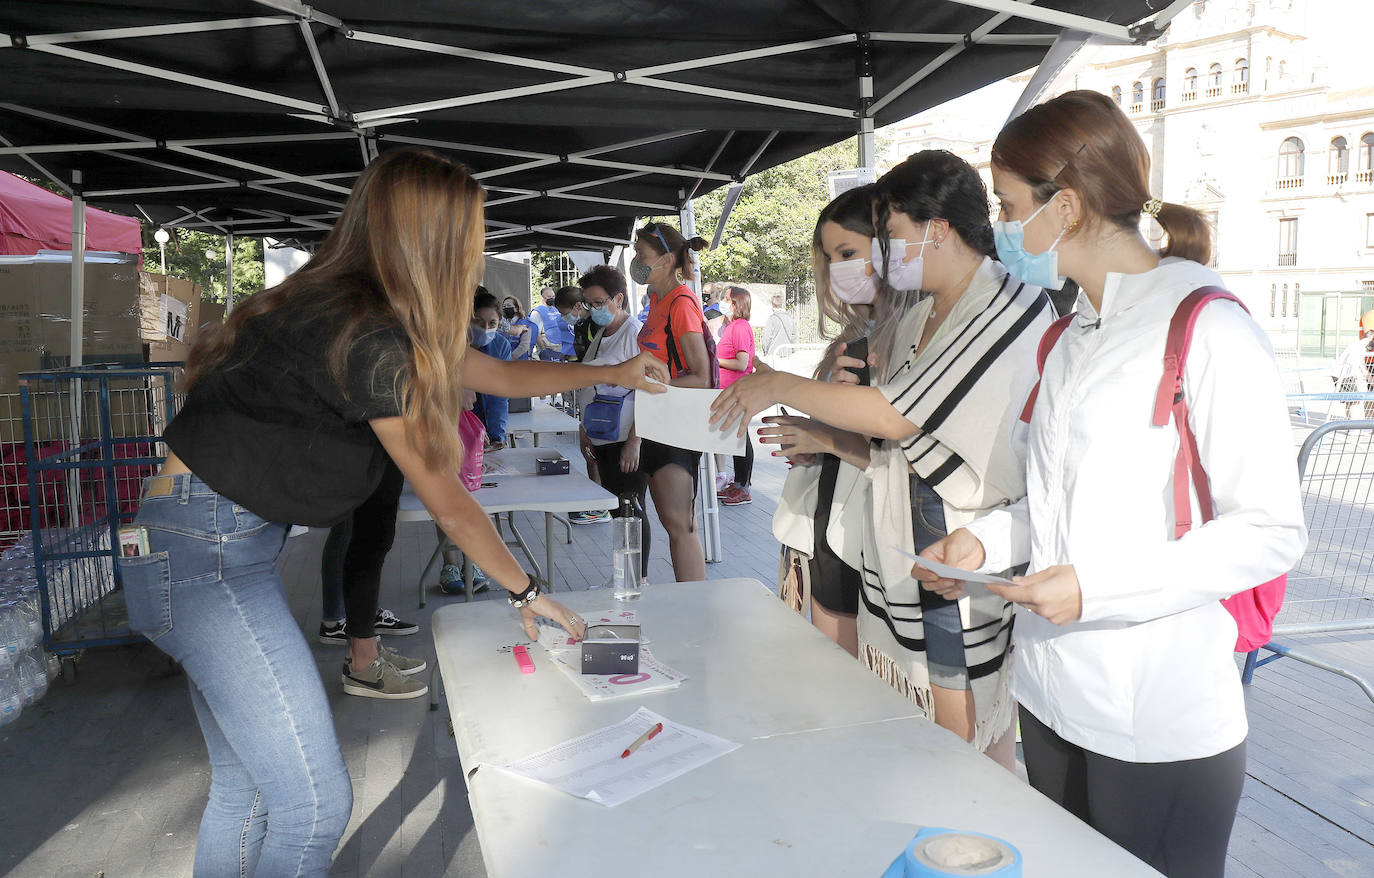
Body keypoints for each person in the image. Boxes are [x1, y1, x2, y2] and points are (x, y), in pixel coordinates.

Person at [118, 147, 669, 876]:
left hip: (192, 548)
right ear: (433, 239)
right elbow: (452, 504)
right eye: (470, 232)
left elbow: (495, 370)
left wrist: (610, 370)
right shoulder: (372, 336)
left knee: (250, 792)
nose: (476, 245)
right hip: (206, 563)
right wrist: (530, 594)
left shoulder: (350, 305)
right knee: (313, 807)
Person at [915, 91, 1307, 878]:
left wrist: (1095, 589)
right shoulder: (1072, 334)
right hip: (1053, 700)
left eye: (1009, 203)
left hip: (1156, 719)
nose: (1000, 225)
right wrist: (986, 540)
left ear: (1065, 207)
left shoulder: (1207, 325)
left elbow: (1270, 529)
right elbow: (1056, 503)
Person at [711, 150, 1053, 769]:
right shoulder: (923, 312)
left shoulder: (1007, 305)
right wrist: (821, 420)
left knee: (970, 748)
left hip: (961, 557)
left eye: (890, 236)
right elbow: (890, 448)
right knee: (920, 739)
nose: (884, 254)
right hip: (900, 553)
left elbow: (895, 416)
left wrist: (781, 387)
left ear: (936, 229)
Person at [767, 184, 910, 656]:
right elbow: (840, 439)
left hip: (882, 539)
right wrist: (810, 440)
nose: (838, 269)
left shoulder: (919, 339)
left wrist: (825, 433)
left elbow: (899, 457)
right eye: (830, 258)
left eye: (849, 251)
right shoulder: (850, 341)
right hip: (832, 528)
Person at [634, 221, 711, 582]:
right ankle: (689, 604)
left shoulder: (681, 303)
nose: (636, 261)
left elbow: (702, 376)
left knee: (681, 526)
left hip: (676, 424)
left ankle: (695, 610)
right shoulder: (656, 299)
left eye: (642, 255)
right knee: (673, 523)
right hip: (657, 420)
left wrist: (655, 387)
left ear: (665, 260)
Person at [317, 457, 427, 700]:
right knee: (368, 539)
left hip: (376, 443)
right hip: (368, 440)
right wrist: (524, 591)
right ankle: (362, 662)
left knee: (372, 538)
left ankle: (364, 648)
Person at [575, 264, 651, 573]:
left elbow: (648, 391)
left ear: (618, 299)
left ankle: (637, 578)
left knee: (630, 509)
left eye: (598, 303)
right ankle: (625, 576)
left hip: (624, 439)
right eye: (589, 303)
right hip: (601, 435)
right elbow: (588, 384)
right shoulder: (601, 334)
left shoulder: (634, 334)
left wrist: (635, 441)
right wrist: (583, 429)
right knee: (619, 512)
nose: (593, 309)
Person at [716, 285, 757, 506]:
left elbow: (742, 363)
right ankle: (740, 483)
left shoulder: (739, 327)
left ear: (736, 303)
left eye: (726, 299)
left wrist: (713, 360)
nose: (722, 302)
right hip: (730, 391)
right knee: (737, 437)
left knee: (741, 438)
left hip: (736, 390)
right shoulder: (734, 326)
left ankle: (744, 487)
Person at [470, 288, 512, 447]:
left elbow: (499, 395)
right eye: (478, 321)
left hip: (487, 422)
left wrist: (496, 436)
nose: (485, 328)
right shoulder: (451, 344)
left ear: (499, 322)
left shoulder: (501, 345)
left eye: (492, 323)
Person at [531, 285, 571, 361]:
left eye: (553, 296)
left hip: (560, 349)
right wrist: (544, 350)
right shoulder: (537, 312)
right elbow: (536, 333)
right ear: (542, 298)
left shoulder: (556, 310)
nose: (552, 299)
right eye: (549, 296)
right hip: (548, 350)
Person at [500, 295, 539, 361]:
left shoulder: (526, 324)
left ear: (517, 308)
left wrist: (510, 358)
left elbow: (524, 346)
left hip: (520, 361)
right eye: (504, 306)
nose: (506, 308)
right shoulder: (504, 324)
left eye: (509, 306)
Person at [762, 290, 797, 358]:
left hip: (773, 354)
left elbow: (767, 338)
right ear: (782, 302)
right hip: (787, 353)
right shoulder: (790, 318)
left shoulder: (771, 319)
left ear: (772, 303)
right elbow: (794, 337)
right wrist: (792, 350)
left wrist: (765, 351)